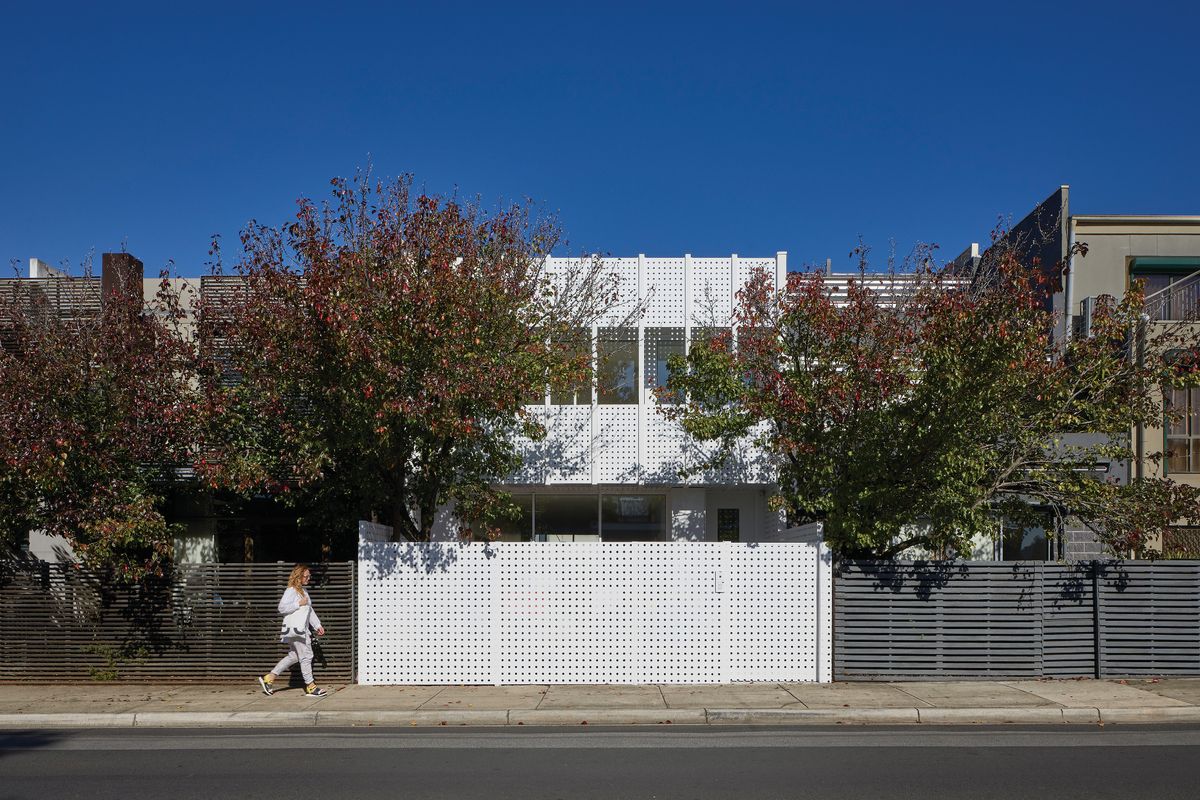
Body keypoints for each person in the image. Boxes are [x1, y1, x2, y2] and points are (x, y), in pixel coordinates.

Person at [258, 563, 328, 697]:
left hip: (300, 630)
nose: (309, 578)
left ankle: (269, 678)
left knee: (294, 656)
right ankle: (311, 687)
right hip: (298, 630)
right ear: (299, 576)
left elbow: (309, 610)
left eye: (309, 576)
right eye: (306, 576)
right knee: (307, 656)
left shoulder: (303, 591)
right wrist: (298, 604)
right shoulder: (291, 590)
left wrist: (317, 625)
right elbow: (281, 608)